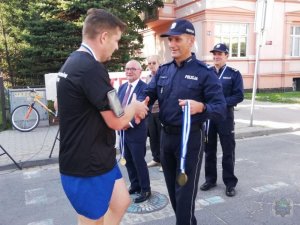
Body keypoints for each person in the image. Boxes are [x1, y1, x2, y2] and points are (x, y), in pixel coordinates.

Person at [56, 9, 148, 225]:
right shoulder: (91, 68)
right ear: (103, 37)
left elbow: (67, 104)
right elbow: (117, 120)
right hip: (87, 165)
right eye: (116, 40)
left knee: (121, 201)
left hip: (99, 157)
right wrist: (134, 107)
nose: (116, 47)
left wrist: (124, 114)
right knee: (92, 221)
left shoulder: (73, 61)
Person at [145, 19, 226, 225]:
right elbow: (147, 95)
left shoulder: (204, 73)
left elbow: (220, 108)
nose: (172, 44)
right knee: (174, 191)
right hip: (166, 138)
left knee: (185, 193)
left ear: (190, 41)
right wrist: (136, 106)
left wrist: (202, 107)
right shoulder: (163, 71)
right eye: (170, 39)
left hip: (189, 139)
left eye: (177, 39)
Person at [200, 43, 244, 197]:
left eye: (220, 54)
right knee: (209, 150)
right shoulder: (208, 72)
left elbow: (239, 95)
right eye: (214, 54)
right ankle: (210, 180)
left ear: (226, 56)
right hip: (209, 117)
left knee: (228, 151)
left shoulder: (234, 73)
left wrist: (221, 105)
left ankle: (230, 183)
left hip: (225, 117)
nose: (216, 56)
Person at [118, 60, 151, 203]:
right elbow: (118, 107)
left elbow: (142, 110)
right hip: (122, 132)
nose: (129, 71)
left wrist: (127, 124)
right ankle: (135, 185)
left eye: (132, 69)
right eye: (127, 68)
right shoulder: (122, 87)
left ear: (139, 72)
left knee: (138, 161)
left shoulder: (145, 88)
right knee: (128, 161)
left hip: (135, 131)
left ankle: (145, 189)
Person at [145, 55, 163, 171]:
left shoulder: (163, 76)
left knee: (162, 138)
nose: (151, 65)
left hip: (161, 111)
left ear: (159, 63)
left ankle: (164, 161)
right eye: (149, 63)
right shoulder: (148, 77)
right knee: (153, 137)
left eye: (154, 63)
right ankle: (156, 158)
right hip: (151, 112)